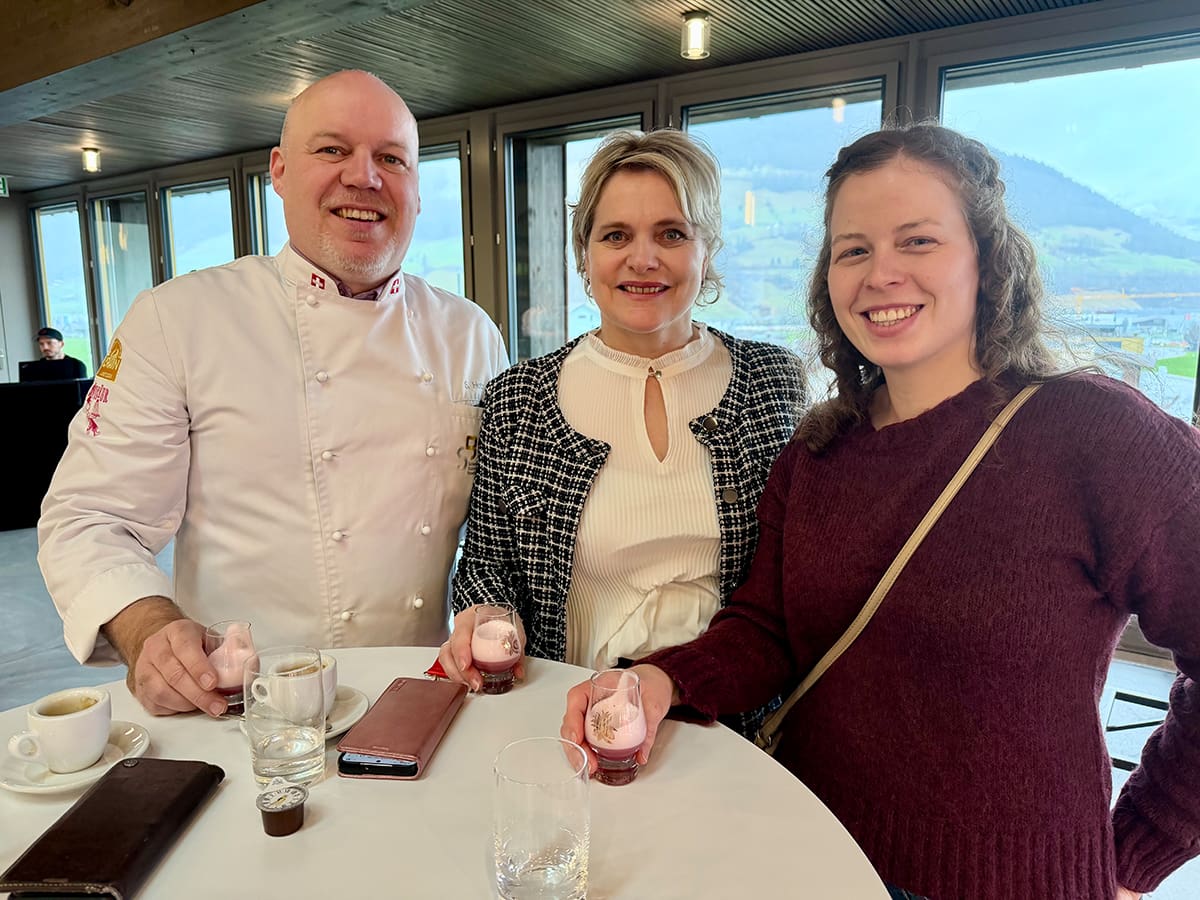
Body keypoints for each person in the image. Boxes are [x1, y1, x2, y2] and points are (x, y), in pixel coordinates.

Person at [560, 124, 1200, 899]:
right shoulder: (818, 453)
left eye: (918, 240)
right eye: (854, 249)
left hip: (1013, 882)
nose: (881, 274)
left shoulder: (1097, 435)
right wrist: (661, 680)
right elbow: (767, 630)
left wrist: (1136, 853)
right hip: (812, 858)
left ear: (986, 258)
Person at [38, 70, 507, 718]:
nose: (364, 177)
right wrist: (148, 629)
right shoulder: (179, 318)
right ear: (279, 172)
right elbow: (89, 517)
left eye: (391, 159)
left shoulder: (469, 333)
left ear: (418, 192)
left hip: (420, 702)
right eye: (333, 149)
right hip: (237, 707)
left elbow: (501, 529)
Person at [439, 130, 805, 737]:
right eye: (615, 236)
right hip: (572, 723)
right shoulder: (519, 398)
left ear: (707, 250)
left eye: (672, 233)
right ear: (584, 255)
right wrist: (480, 616)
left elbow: (791, 589)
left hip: (734, 732)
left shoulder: (774, 382)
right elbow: (486, 566)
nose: (643, 258)